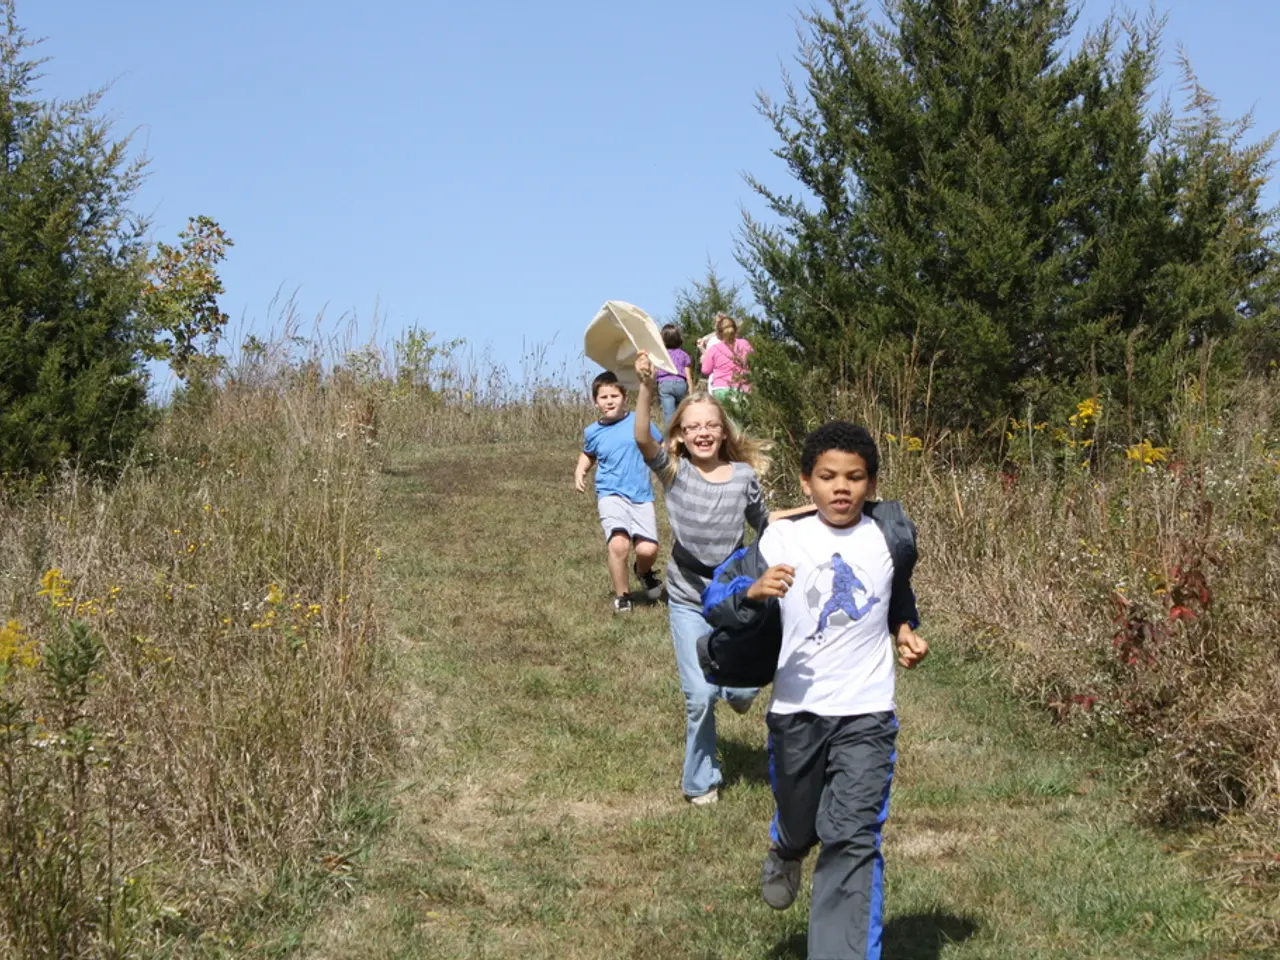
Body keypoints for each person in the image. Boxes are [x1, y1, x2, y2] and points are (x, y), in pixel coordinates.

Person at [701, 422, 928, 959]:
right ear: (806, 483)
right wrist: (752, 592)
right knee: (803, 821)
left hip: (868, 714)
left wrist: (905, 630)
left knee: (852, 838)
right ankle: (788, 845)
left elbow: (895, 596)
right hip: (796, 712)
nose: (841, 487)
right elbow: (715, 597)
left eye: (855, 477)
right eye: (827, 477)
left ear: (872, 485)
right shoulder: (784, 536)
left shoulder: (889, 537)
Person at [633, 350, 770, 805]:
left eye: (710, 425)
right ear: (680, 435)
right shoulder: (674, 473)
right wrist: (648, 388)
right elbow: (642, 438)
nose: (702, 432)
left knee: (741, 689)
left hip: (734, 596)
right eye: (692, 427)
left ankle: (738, 684)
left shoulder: (745, 476)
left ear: (723, 431)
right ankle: (700, 782)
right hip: (688, 597)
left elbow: (766, 527)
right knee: (698, 697)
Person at [574, 371, 665, 614]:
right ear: (596, 401)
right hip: (610, 493)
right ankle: (623, 595)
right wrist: (580, 471)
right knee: (619, 544)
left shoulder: (639, 422)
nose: (609, 400)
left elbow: (661, 446)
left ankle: (643, 572)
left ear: (625, 397)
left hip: (641, 494)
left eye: (614, 395)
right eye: (603, 397)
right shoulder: (593, 431)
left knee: (648, 550)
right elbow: (588, 454)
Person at [699, 314, 753, 420]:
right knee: (742, 422)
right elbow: (753, 361)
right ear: (735, 329)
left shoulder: (714, 349)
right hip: (742, 388)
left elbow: (705, 370)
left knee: (724, 423)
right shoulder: (745, 344)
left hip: (721, 389)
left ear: (718, 334)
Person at [656, 324, 695, 425]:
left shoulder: (660, 354)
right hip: (680, 384)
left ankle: (670, 437)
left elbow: (654, 370)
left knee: (669, 414)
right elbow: (688, 376)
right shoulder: (684, 354)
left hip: (665, 384)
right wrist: (691, 390)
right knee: (681, 413)